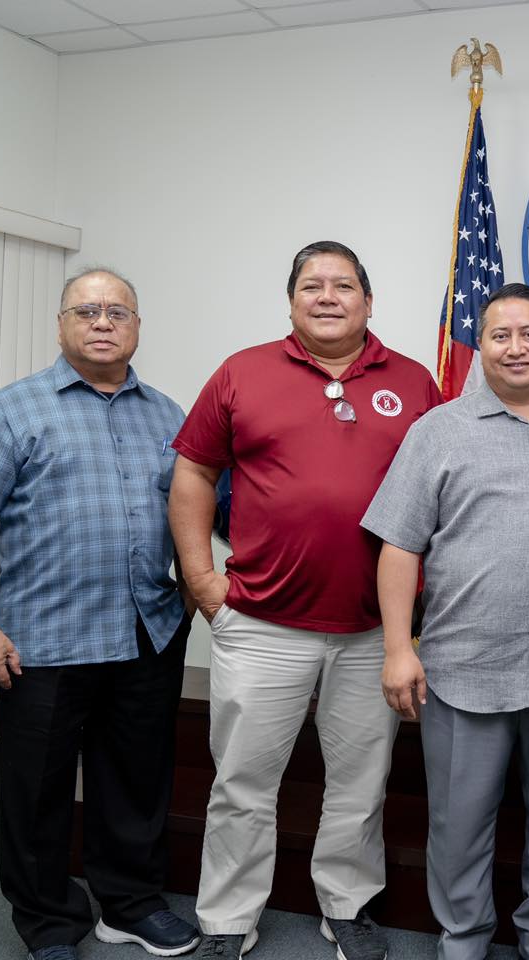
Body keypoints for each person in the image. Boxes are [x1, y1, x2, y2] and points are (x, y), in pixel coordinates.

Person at [169, 241, 439, 960]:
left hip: (371, 632)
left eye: (343, 285)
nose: (327, 296)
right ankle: (227, 918)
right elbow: (194, 472)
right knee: (242, 783)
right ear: (291, 301)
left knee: (360, 782)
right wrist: (203, 583)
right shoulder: (241, 372)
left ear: (369, 300)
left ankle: (346, 907)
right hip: (260, 622)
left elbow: (440, 496)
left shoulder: (413, 382)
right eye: (311, 285)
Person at [0, 268, 198, 960]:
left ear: (137, 326)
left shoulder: (171, 415)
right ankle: (47, 921)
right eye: (87, 310)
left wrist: (196, 582)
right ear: (61, 324)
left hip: (145, 632)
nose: (102, 321)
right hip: (40, 639)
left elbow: (197, 510)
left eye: (117, 311)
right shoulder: (9, 410)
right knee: (37, 791)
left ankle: (131, 903)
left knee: (135, 783)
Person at [363, 283, 529, 960]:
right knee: (459, 823)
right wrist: (399, 649)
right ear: (479, 345)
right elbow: (398, 545)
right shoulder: (437, 431)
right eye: (500, 335)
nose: (516, 347)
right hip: (464, 666)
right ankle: (465, 937)